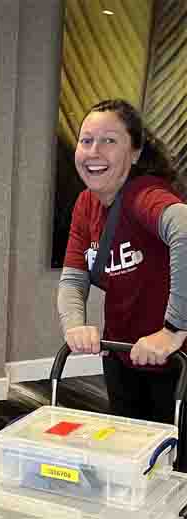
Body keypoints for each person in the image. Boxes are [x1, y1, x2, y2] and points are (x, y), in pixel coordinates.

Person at [58, 98, 187, 424]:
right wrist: (74, 325)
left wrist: (172, 330)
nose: (94, 151)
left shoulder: (144, 195)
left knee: (173, 463)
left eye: (109, 141)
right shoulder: (86, 204)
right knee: (129, 449)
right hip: (122, 355)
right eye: (86, 140)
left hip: (175, 361)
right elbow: (74, 279)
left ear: (135, 153)